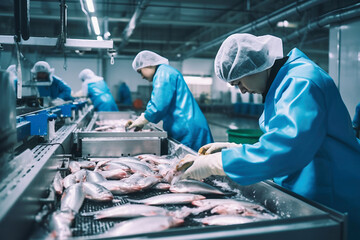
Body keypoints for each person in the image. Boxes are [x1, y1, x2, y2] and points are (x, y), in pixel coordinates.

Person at [181, 33, 360, 239]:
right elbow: (285, 135)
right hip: (308, 183)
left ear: (254, 67)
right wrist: (235, 149)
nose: (242, 91)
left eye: (239, 82)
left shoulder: (301, 82)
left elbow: (288, 147)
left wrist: (217, 162)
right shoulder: (285, 80)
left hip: (333, 192)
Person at [126, 50, 213, 151]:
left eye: (140, 71)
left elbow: (158, 105)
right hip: (185, 126)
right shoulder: (165, 72)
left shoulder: (163, 73)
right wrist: (142, 119)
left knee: (194, 161)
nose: (142, 76)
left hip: (187, 128)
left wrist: (142, 119)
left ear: (148, 65)